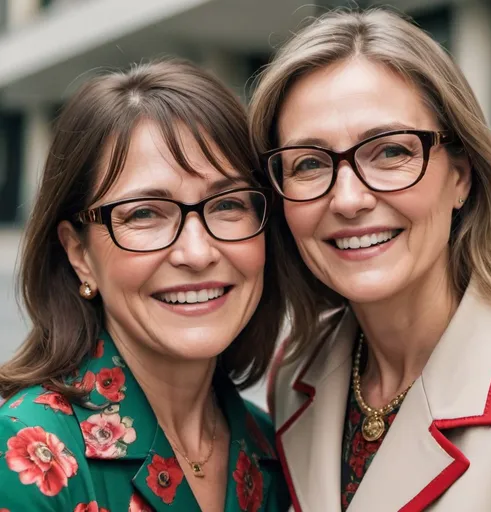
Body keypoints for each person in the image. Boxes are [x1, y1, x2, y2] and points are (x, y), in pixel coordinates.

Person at [249, 8, 491, 512]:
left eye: (390, 152)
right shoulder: (294, 374)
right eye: (308, 162)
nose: (348, 200)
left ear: (461, 175)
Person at [0, 59, 290, 512]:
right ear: (79, 254)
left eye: (228, 204)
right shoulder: (28, 452)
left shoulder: (274, 450)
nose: (197, 252)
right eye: (144, 213)